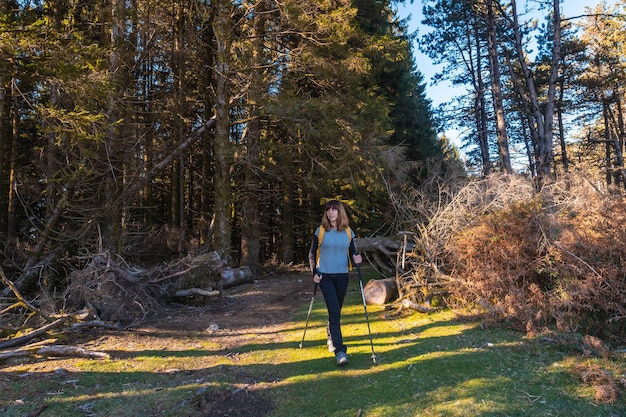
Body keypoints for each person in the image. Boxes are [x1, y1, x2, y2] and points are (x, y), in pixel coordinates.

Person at [308, 199, 362, 366]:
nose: (331, 212)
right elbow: (311, 254)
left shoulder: (347, 232)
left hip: (342, 276)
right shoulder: (320, 231)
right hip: (325, 277)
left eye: (334, 210)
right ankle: (340, 351)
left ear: (340, 213)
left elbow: (353, 253)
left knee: (336, 310)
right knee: (334, 311)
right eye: (328, 210)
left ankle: (330, 336)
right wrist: (314, 272)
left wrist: (357, 258)